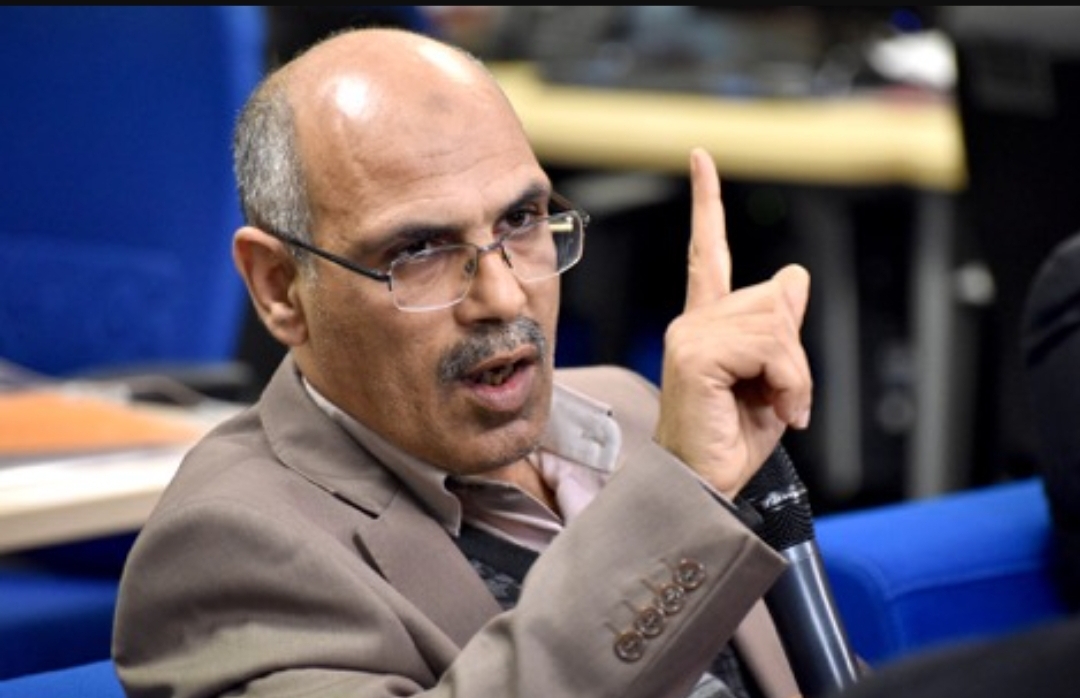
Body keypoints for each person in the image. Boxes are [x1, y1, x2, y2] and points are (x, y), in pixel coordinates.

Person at [112, 26, 814, 698]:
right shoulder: (226, 550)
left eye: (522, 220)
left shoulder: (629, 409)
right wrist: (679, 501)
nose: (504, 296)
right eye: (419, 251)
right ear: (280, 287)